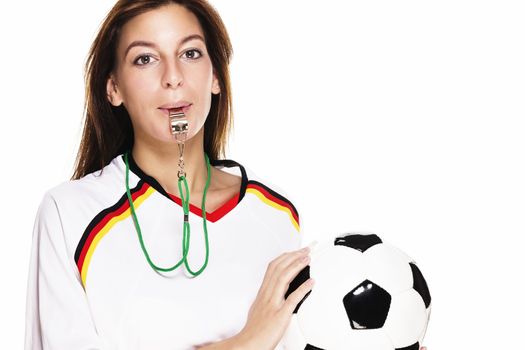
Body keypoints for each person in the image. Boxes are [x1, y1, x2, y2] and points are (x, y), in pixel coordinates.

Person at [24, 1, 427, 349]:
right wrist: (246, 342)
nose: (173, 76)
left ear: (215, 77)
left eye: (191, 54)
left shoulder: (276, 212)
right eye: (145, 58)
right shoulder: (69, 214)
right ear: (114, 89)